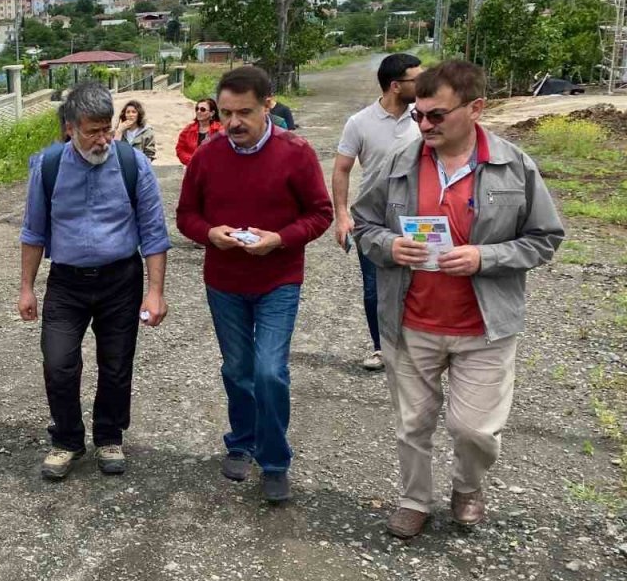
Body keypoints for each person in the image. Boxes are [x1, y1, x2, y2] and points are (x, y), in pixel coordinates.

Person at [352, 61, 564, 539]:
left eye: (436, 116)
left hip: (484, 328)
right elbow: (362, 225)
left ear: (475, 109)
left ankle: (467, 486)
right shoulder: (395, 164)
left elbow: (545, 238)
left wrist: (485, 257)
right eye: (418, 116)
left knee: (475, 431)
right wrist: (389, 246)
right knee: (413, 424)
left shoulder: (514, 166)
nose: (424, 125)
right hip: (411, 321)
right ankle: (414, 500)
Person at [175, 66, 332, 503]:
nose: (232, 123)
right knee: (238, 370)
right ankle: (242, 441)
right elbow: (186, 215)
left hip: (278, 278)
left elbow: (320, 213)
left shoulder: (296, 152)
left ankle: (276, 460)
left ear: (268, 105)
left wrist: (279, 239)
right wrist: (210, 234)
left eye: (243, 112)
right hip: (224, 281)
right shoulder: (208, 155)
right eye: (225, 113)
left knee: (269, 371)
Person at [18, 81, 171, 480]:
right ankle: (67, 439)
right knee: (58, 363)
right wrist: (26, 288)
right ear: (70, 127)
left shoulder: (132, 163)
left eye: (108, 128)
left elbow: (154, 232)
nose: (103, 139)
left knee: (117, 363)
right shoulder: (48, 166)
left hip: (120, 280)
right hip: (66, 283)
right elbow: (33, 232)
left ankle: (109, 435)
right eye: (93, 131)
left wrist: (155, 292)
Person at [332, 53, 423, 372]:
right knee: (375, 287)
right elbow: (342, 169)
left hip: (418, 215)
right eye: (416, 79)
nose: (423, 84)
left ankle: (418, 347)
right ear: (396, 86)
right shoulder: (360, 122)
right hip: (373, 219)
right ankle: (381, 347)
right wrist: (341, 215)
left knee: (420, 282)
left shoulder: (423, 118)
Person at [176, 97, 222, 166]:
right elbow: (180, 149)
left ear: (212, 113)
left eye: (202, 109)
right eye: (197, 109)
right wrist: (193, 160)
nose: (199, 111)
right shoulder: (188, 130)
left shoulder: (221, 130)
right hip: (193, 169)